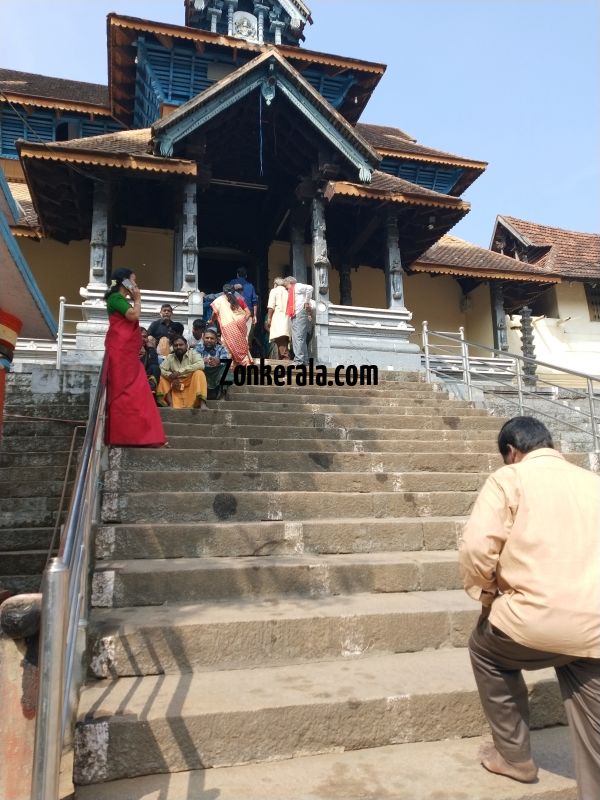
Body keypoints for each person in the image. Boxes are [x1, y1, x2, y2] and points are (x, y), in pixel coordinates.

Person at [459, 416, 600, 798]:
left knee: (484, 650)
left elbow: (476, 548)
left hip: (531, 623)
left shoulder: (510, 478)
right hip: (595, 626)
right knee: (591, 705)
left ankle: (515, 757)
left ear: (512, 452)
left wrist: (488, 595)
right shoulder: (593, 482)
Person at [103, 268, 166, 447]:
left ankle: (143, 436)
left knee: (138, 391)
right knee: (124, 391)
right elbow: (133, 316)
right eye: (133, 281)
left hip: (128, 353)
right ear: (125, 282)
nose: (136, 285)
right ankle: (124, 436)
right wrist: (137, 299)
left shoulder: (121, 299)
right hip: (121, 352)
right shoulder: (116, 298)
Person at [156, 336, 208, 409]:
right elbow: (160, 369)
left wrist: (179, 372)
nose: (178, 347)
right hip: (176, 385)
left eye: (181, 345)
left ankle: (202, 403)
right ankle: (170, 403)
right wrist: (170, 375)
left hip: (190, 384)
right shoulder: (170, 357)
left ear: (186, 345)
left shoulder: (193, 353)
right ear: (172, 347)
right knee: (161, 377)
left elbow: (201, 364)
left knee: (199, 373)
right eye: (176, 345)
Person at [209, 284, 253, 367]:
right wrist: (243, 322)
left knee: (227, 348)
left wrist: (211, 320)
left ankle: (231, 369)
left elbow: (214, 313)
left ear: (223, 292)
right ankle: (245, 364)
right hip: (240, 326)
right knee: (240, 346)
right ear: (234, 291)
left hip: (228, 328)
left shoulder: (220, 300)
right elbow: (248, 313)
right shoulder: (239, 300)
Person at [283, 276, 313, 365]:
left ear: (289, 283)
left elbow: (310, 288)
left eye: (286, 286)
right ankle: (305, 360)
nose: (286, 288)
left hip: (300, 312)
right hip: (295, 314)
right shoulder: (292, 290)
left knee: (299, 337)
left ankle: (299, 360)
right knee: (298, 338)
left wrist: (306, 302)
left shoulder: (297, 286)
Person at [194, 326, 230, 395]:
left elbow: (226, 359)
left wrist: (219, 361)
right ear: (203, 338)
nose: (209, 340)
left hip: (216, 373)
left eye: (212, 338)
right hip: (203, 372)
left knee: (227, 368)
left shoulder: (221, 348)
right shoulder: (198, 347)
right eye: (207, 338)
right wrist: (203, 361)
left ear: (216, 340)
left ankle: (223, 393)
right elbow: (193, 360)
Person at [228, 267, 257, 341]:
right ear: (246, 275)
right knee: (245, 335)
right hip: (247, 314)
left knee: (233, 335)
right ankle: (244, 351)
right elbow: (254, 302)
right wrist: (255, 316)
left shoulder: (232, 283)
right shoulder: (250, 286)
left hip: (234, 313)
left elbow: (226, 294)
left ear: (237, 274)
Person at [265, 277, 291, 360]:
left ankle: (286, 363)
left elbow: (271, 306)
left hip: (278, 319)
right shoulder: (287, 292)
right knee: (284, 342)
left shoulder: (274, 291)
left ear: (275, 284)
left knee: (282, 347)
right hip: (287, 319)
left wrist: (269, 318)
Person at [139, 327, 161, 398]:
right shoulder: (128, 348)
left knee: (155, 367)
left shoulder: (149, 349)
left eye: (145, 337)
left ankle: (150, 390)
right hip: (131, 376)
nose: (142, 339)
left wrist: (151, 348)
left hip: (145, 376)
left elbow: (155, 364)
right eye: (139, 336)